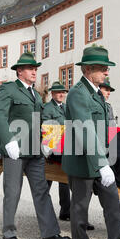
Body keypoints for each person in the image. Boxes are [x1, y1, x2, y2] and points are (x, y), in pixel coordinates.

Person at [62, 46, 120, 239]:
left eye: (107, 68)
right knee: (80, 207)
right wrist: (102, 163)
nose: (107, 72)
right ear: (88, 69)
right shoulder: (78, 93)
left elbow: (104, 130)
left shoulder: (96, 94)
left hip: (101, 159)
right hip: (82, 160)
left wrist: (108, 159)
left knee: (113, 204)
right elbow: (85, 129)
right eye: (103, 69)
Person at [0, 53, 71, 239]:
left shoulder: (36, 95)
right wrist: (8, 140)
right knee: (13, 191)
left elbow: (40, 121)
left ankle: (50, 234)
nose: (35, 71)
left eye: (36, 68)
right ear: (20, 71)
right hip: (15, 150)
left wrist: (48, 141)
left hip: (35, 151)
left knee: (42, 191)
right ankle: (9, 232)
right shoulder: (9, 89)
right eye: (30, 68)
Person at [98, 78, 120, 230]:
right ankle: (80, 220)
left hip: (107, 150)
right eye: (106, 89)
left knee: (110, 190)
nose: (108, 93)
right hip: (92, 150)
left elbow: (111, 127)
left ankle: (115, 220)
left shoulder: (109, 107)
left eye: (109, 91)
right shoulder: (91, 103)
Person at [42, 81, 71, 222]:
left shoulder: (66, 108)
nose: (61, 94)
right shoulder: (48, 108)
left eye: (63, 92)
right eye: (58, 92)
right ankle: (42, 210)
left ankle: (65, 211)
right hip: (52, 150)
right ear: (52, 94)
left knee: (64, 180)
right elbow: (47, 129)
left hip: (65, 149)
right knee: (46, 181)